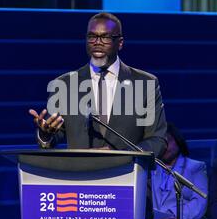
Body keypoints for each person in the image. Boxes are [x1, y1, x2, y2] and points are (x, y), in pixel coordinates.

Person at [29, 12, 167, 157]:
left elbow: (157, 140)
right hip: (81, 176)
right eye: (92, 36)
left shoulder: (145, 83)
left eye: (105, 37)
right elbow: (52, 138)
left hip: (126, 174)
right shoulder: (65, 84)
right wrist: (45, 135)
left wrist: (120, 156)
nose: (97, 42)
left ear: (120, 43)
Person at [147, 123, 211, 219]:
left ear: (178, 140)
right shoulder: (150, 169)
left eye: (168, 141)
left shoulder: (195, 167)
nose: (165, 147)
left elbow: (199, 203)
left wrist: (176, 217)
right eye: (161, 142)